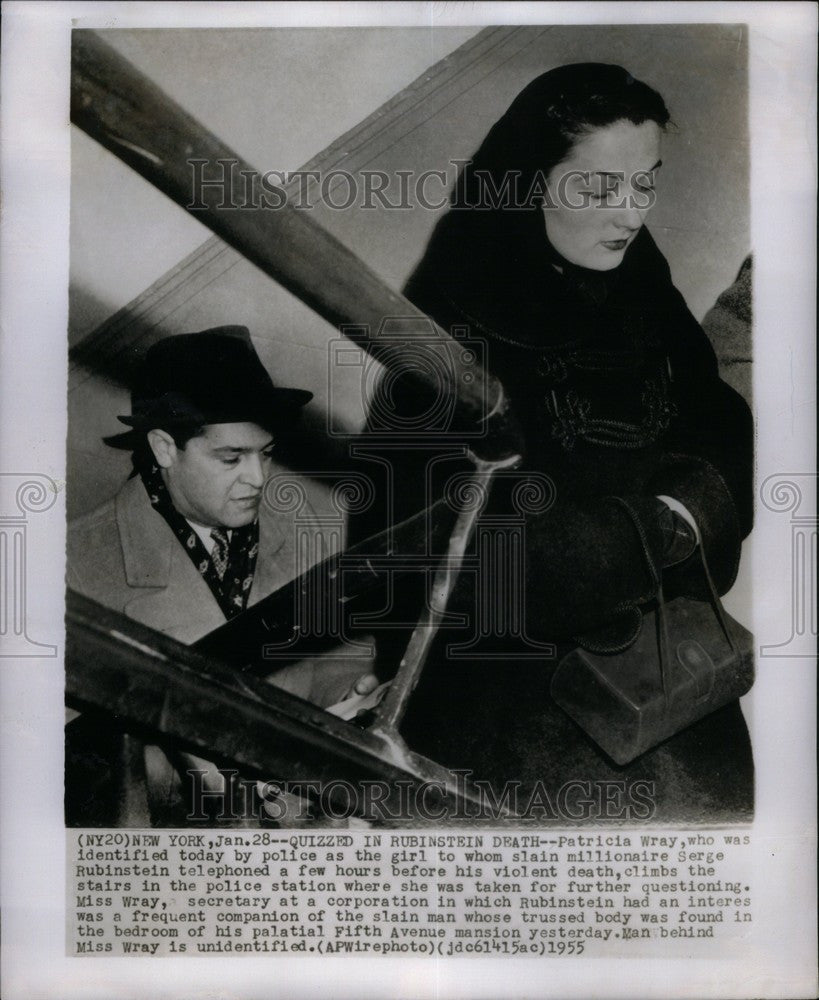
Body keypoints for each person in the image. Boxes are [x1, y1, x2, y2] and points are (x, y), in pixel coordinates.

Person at [356, 64, 754, 821]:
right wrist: (642, 531)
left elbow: (719, 424)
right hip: (515, 708)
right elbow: (425, 558)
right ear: (527, 181)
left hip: (667, 672)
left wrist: (689, 504)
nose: (630, 214)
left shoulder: (643, 283)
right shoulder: (445, 333)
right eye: (600, 189)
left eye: (645, 185)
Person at [66, 326, 376, 825]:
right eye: (232, 458)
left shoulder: (301, 531)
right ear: (165, 448)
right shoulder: (72, 568)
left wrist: (357, 695)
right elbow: (73, 779)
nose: (258, 478)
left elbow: (343, 663)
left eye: (266, 453)